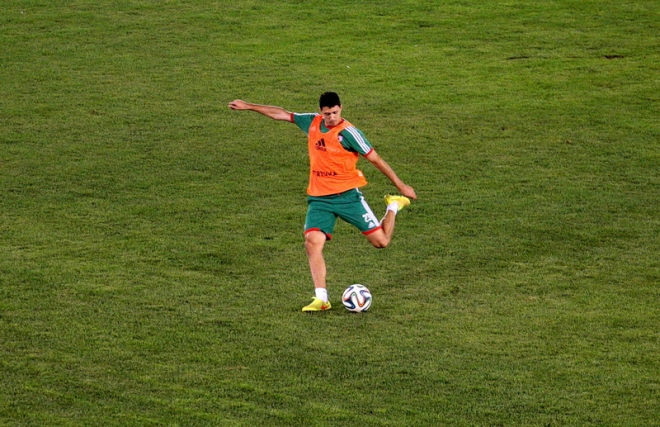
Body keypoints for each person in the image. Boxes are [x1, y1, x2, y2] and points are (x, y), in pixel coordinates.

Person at [228, 92, 417, 312]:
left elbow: (375, 159)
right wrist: (249, 106)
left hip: (348, 197)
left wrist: (401, 186)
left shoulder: (349, 133)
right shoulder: (312, 122)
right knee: (312, 242)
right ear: (321, 112)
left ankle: (393, 205)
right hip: (319, 199)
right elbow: (282, 114)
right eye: (327, 114)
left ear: (341, 109)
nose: (332, 117)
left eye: (335, 112)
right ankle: (321, 298)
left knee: (381, 242)